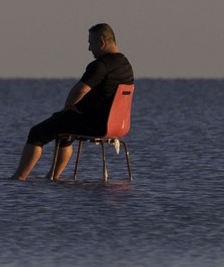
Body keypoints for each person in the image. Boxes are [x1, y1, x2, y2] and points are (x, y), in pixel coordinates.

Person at [11, 23, 134, 181]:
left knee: (37, 133)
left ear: (102, 42)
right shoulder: (126, 65)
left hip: (96, 124)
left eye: (91, 43)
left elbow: (80, 90)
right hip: (118, 126)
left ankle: (19, 178)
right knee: (64, 126)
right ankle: (53, 177)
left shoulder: (101, 66)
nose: (90, 49)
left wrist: (68, 107)